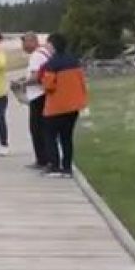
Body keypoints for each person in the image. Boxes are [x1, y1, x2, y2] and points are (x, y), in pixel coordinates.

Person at [38, 33, 88, 178]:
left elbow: (48, 86)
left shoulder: (51, 64)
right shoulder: (74, 61)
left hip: (55, 107)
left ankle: (54, 166)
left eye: (48, 44)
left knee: (50, 136)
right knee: (67, 137)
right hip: (72, 107)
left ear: (52, 45)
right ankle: (67, 168)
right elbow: (81, 83)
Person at [18, 32, 52, 169]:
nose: (23, 46)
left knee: (36, 129)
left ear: (32, 41)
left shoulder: (36, 56)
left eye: (24, 42)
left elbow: (36, 77)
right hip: (44, 95)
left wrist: (22, 84)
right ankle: (47, 158)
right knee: (44, 128)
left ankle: (42, 160)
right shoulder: (45, 52)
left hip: (38, 96)